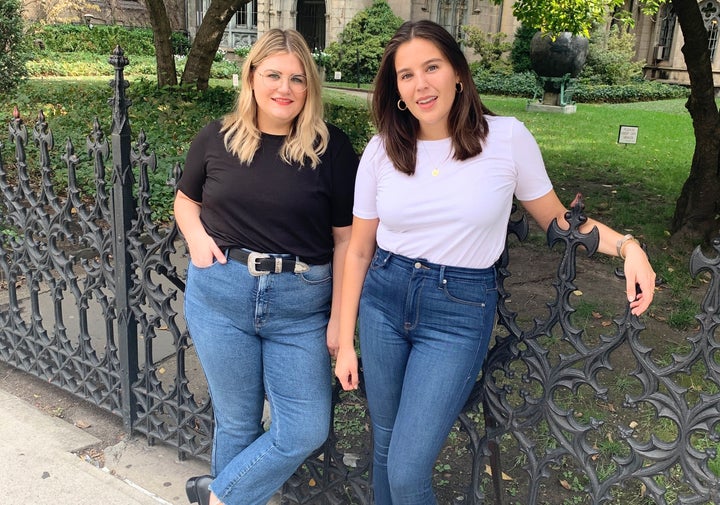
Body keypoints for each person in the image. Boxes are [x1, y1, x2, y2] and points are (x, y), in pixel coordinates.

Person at [334, 19, 656, 505]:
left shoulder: (505, 139)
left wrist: (629, 246)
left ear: (458, 72)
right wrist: (344, 337)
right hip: (383, 300)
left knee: (405, 467)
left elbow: (559, 220)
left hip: (457, 312)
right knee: (384, 447)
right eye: (406, 75)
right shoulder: (383, 149)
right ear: (395, 88)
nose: (421, 84)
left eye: (432, 67)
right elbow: (359, 249)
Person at [175, 28, 358, 505]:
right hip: (222, 295)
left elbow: (345, 240)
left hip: (301, 305)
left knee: (303, 429)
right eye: (273, 74)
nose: (285, 88)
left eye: (297, 79)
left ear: (310, 88)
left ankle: (218, 496)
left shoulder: (331, 148)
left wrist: (341, 319)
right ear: (252, 75)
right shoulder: (216, 137)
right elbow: (185, 201)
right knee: (236, 420)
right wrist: (196, 238)